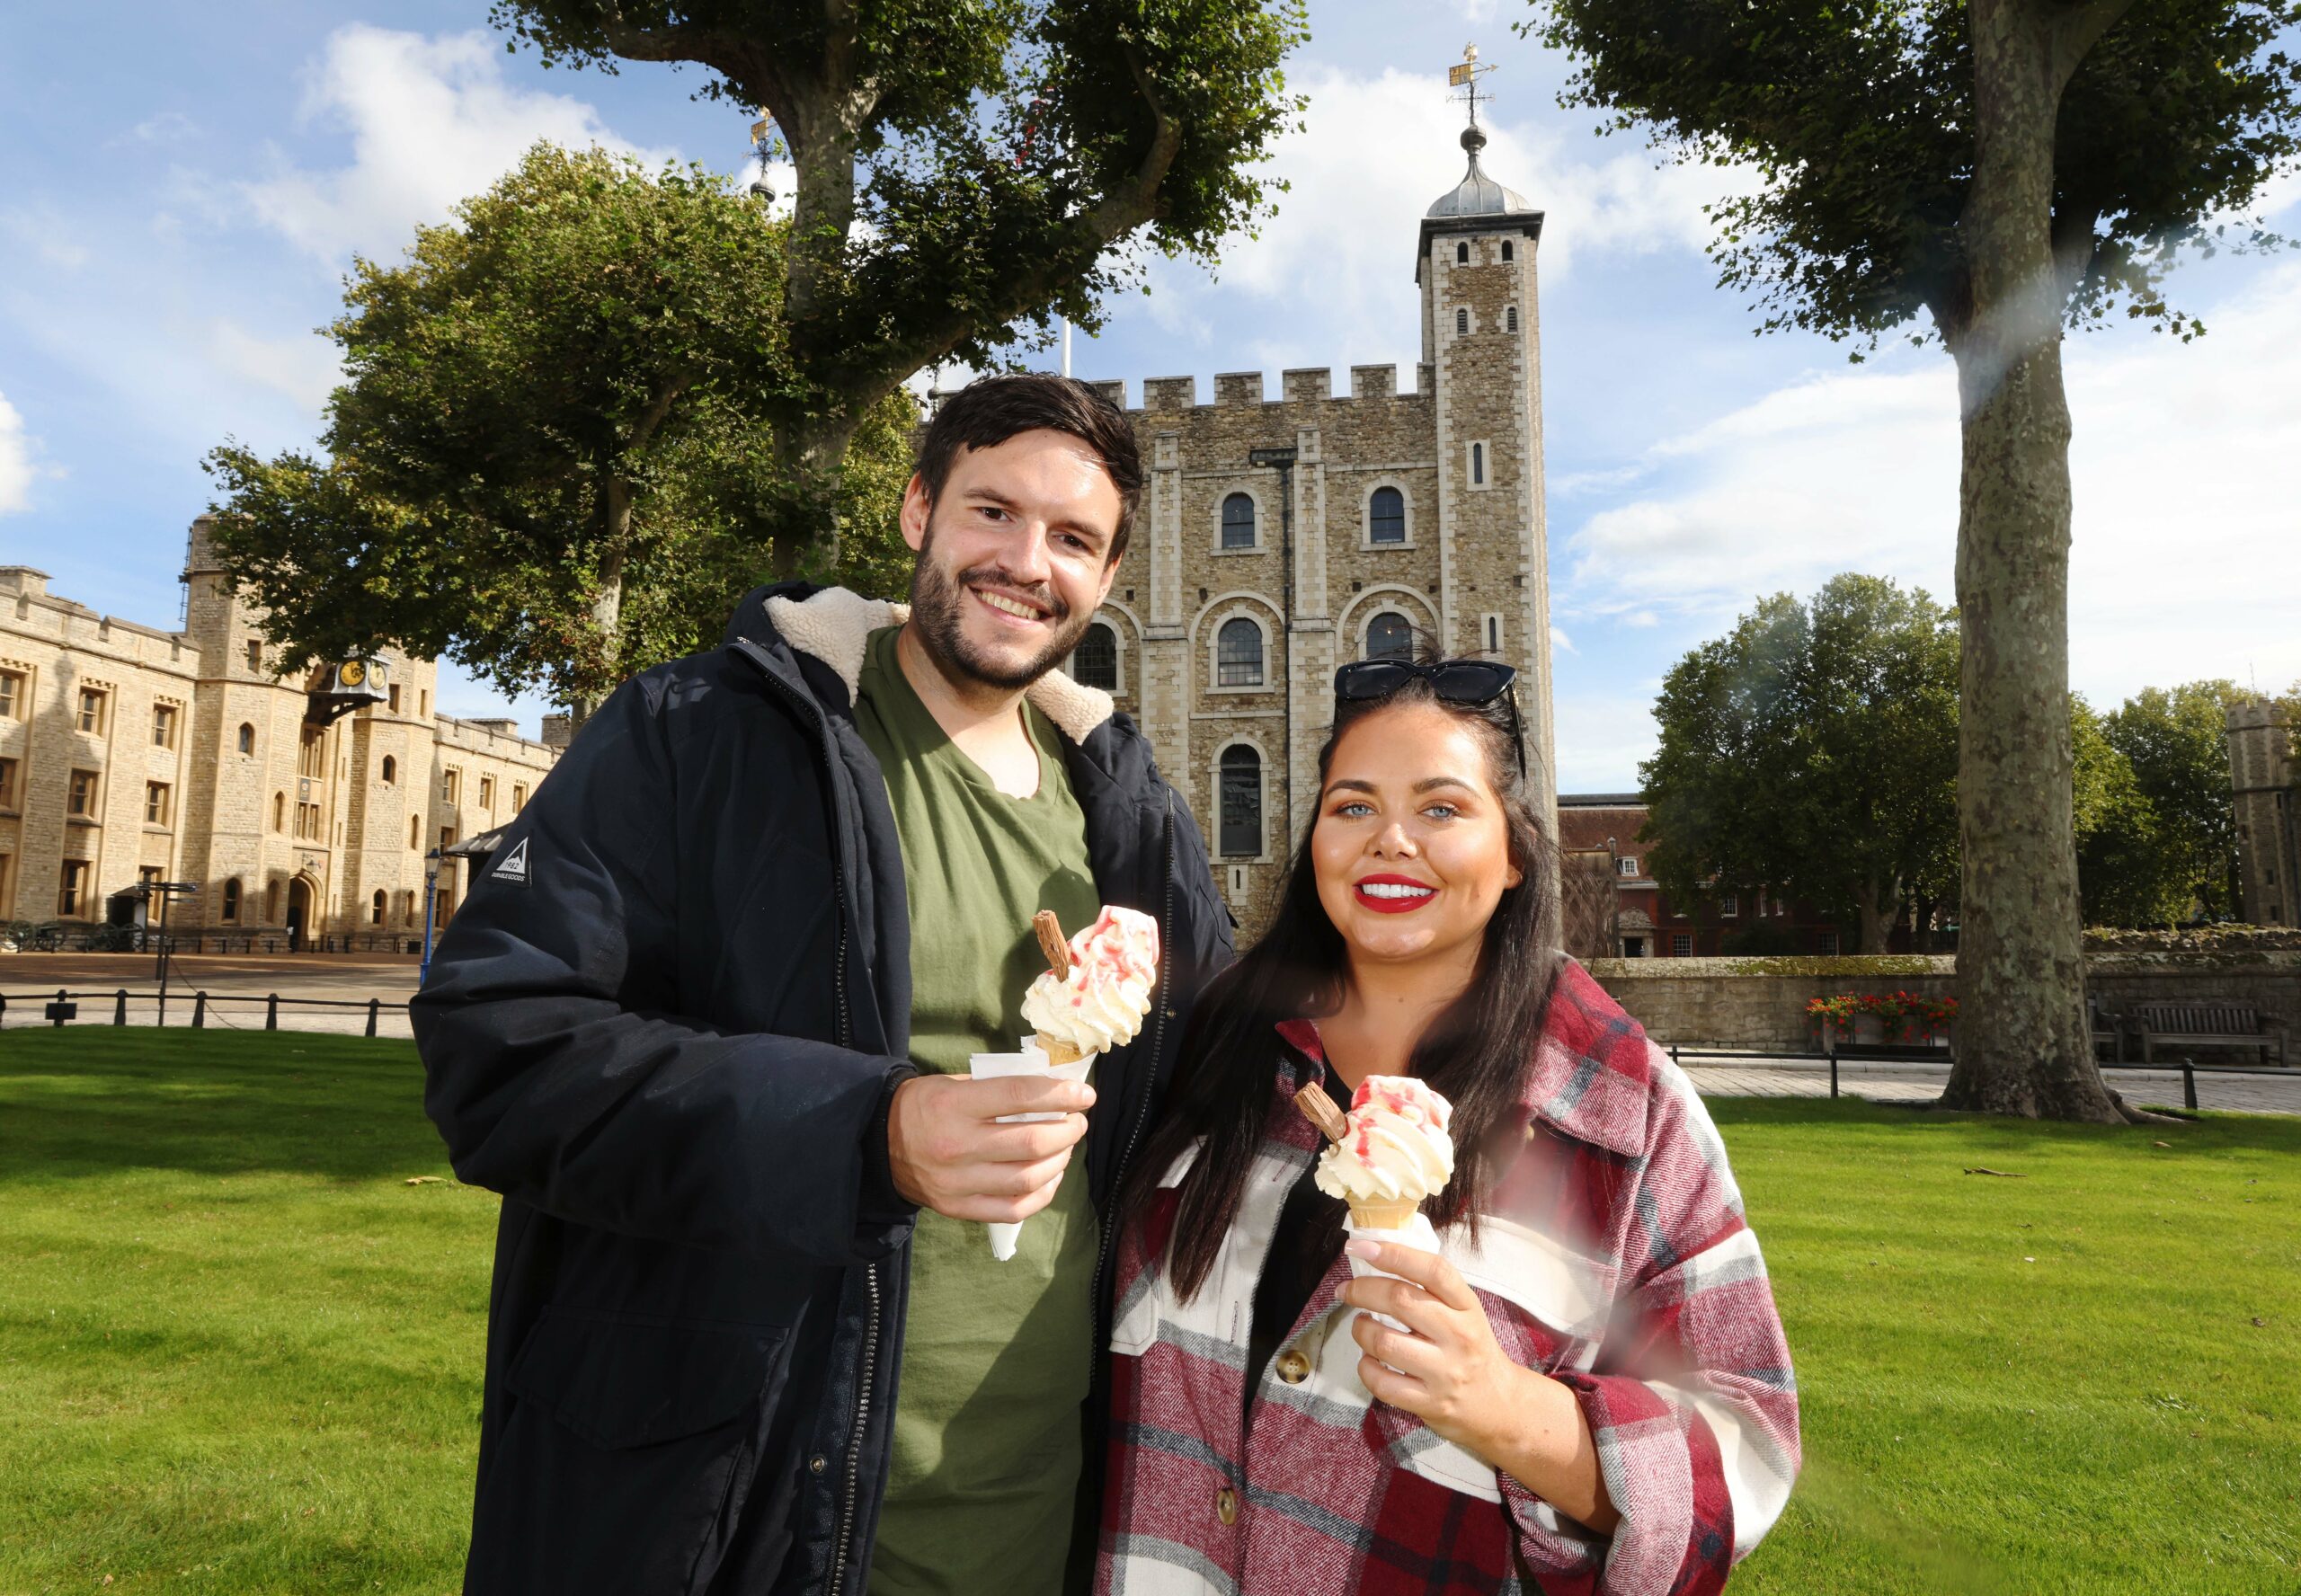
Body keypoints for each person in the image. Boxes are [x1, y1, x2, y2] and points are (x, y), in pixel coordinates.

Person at [412, 374, 1233, 1596]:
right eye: (992, 512)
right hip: (740, 1509)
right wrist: (865, 1134)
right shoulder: (698, 730)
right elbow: (499, 1046)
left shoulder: (1132, 814)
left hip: (1040, 1516)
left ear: (1108, 576)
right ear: (917, 510)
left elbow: (1231, 1084)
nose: (1026, 563)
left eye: (1072, 538)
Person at [1098, 658, 1799, 1594]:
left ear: (1513, 854)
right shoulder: (1218, 1042)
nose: (1390, 840)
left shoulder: (1623, 1108)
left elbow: (1746, 1450)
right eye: (1352, 806)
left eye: (1440, 808)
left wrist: (1508, 1410)